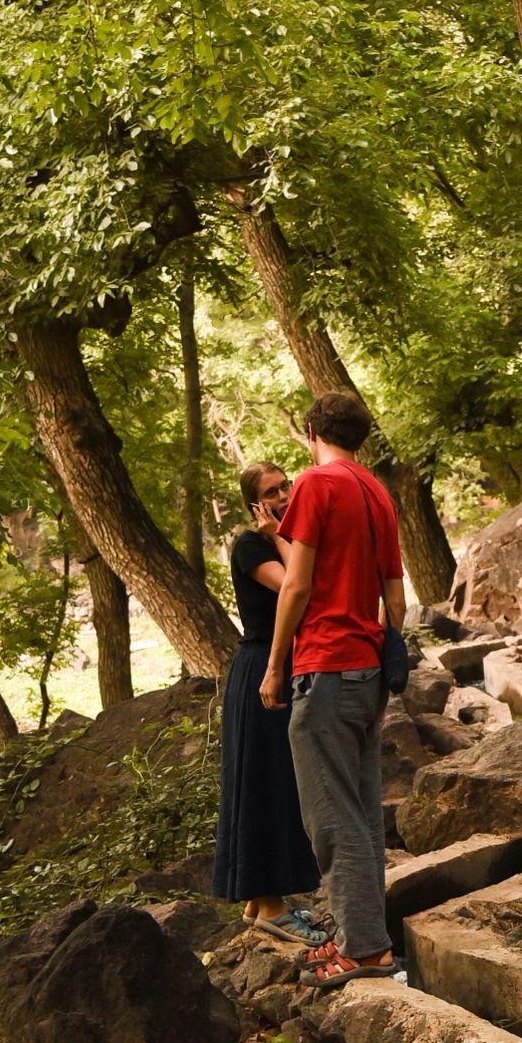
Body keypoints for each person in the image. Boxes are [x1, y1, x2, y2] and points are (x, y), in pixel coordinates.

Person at [260, 392, 404, 990]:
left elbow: (295, 586)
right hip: (368, 668)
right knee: (364, 815)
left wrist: (275, 667)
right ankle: (370, 941)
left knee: (331, 818)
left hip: (324, 665)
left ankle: (363, 949)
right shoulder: (377, 491)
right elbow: (395, 597)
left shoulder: (318, 484)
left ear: (312, 430)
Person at [211, 462, 327, 946]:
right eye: (272, 492)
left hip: (282, 663)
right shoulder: (251, 544)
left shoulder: (292, 537)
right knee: (265, 783)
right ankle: (273, 908)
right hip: (261, 666)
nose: (284, 495)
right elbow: (293, 586)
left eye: (287, 486)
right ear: (255, 505)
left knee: (278, 780)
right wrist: (279, 533)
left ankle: (260, 901)